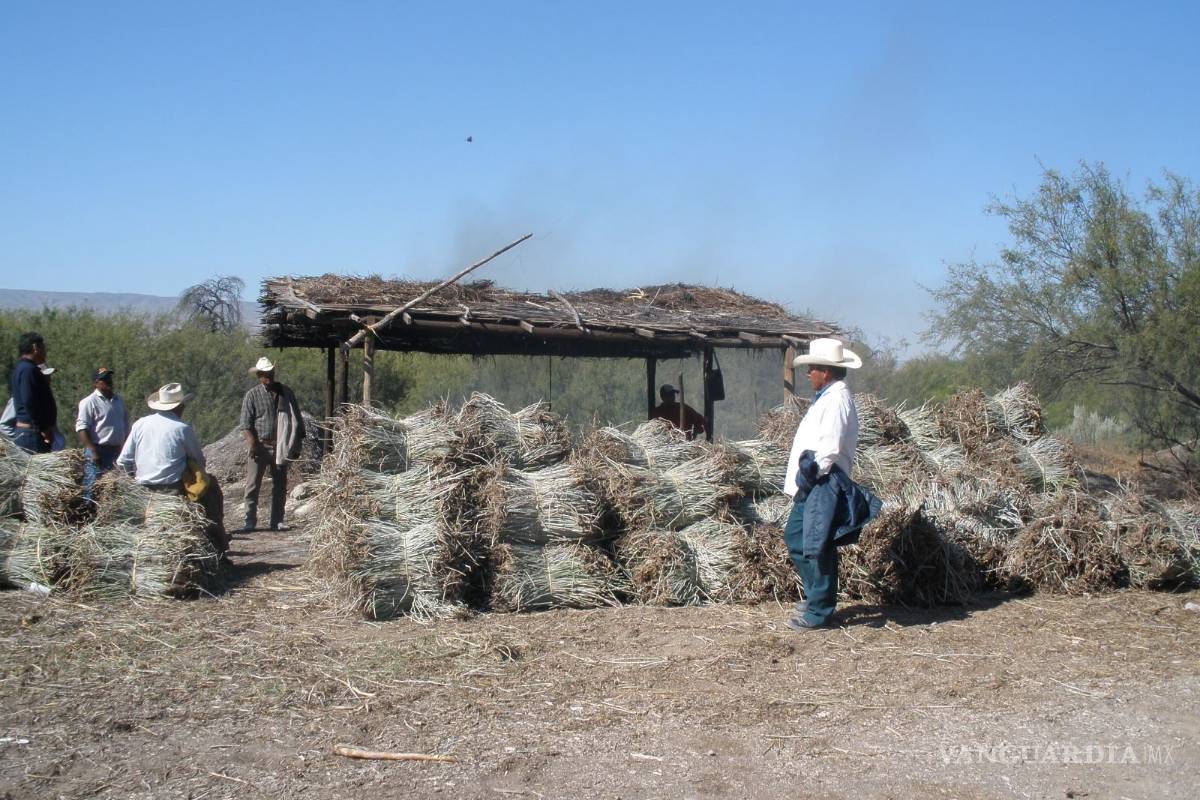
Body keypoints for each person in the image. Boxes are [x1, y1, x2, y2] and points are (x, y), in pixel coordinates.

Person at [782, 338, 880, 631]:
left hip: (823, 481)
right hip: (815, 480)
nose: (809, 372)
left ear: (826, 371)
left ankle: (819, 612)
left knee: (815, 544)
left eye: (812, 368)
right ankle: (816, 598)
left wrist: (811, 476)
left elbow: (831, 447)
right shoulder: (829, 396)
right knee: (798, 537)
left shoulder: (837, 399)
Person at [117, 383, 227, 556]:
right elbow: (199, 460)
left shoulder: (140, 424)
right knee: (211, 497)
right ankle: (217, 547)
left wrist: (130, 480)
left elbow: (123, 460)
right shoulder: (182, 429)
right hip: (172, 488)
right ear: (180, 406)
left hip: (141, 488)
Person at [238, 357, 305, 533]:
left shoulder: (285, 393)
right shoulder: (252, 395)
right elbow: (245, 424)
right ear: (259, 376)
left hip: (281, 445)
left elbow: (296, 418)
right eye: (265, 374)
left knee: (280, 484)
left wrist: (296, 443)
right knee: (253, 484)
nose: (268, 377)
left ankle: (277, 520)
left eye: (270, 373)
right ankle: (249, 520)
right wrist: (252, 444)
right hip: (261, 445)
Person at [76, 367, 130, 491]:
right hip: (99, 450)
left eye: (109, 379)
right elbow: (82, 428)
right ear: (96, 383)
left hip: (117, 451)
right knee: (93, 486)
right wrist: (92, 451)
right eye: (104, 380)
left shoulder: (119, 400)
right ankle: (89, 508)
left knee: (114, 488)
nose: (108, 382)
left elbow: (125, 424)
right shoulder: (89, 402)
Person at [8, 332, 57, 453]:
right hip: (31, 435)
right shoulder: (27, 370)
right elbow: (29, 401)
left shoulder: (24, 368)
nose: (45, 351)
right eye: (43, 347)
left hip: (32, 433)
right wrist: (43, 428)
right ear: (35, 347)